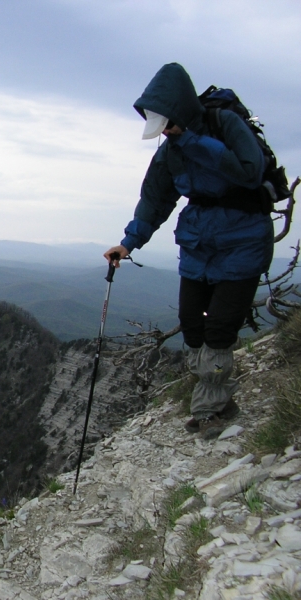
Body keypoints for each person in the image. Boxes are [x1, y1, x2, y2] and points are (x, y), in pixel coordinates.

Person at [104, 63, 274, 437]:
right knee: (193, 325)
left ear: (179, 113)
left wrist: (192, 139)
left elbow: (249, 171)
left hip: (243, 240)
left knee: (219, 327)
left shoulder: (224, 126)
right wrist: (128, 243)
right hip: (199, 245)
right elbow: (154, 201)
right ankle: (216, 396)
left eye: (167, 125)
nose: (164, 133)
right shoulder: (170, 153)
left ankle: (210, 409)